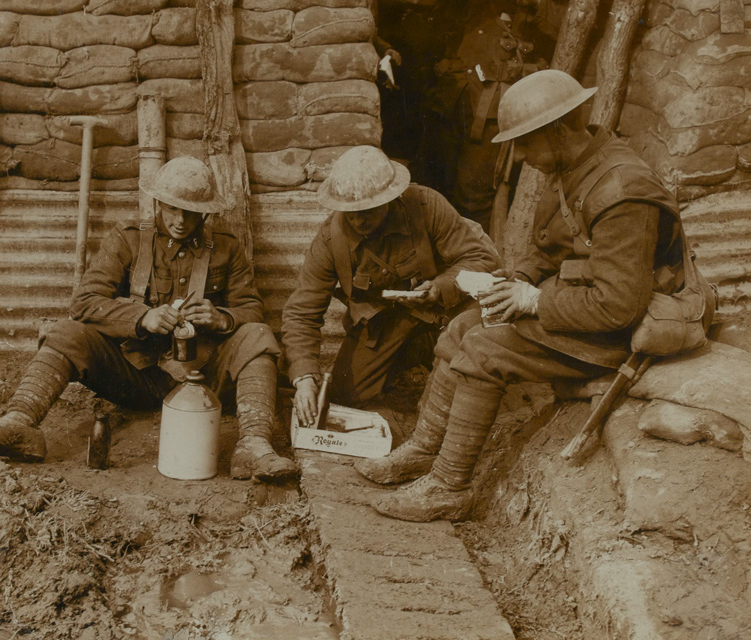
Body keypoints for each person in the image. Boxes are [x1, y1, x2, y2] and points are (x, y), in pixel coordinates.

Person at [358, 69, 710, 521]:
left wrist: (533, 302)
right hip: (583, 306)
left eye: (525, 143)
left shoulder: (622, 191)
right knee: (464, 324)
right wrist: (514, 277)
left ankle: (449, 488)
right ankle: (426, 450)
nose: (521, 156)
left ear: (559, 132)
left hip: (629, 327)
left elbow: (619, 306)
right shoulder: (572, 168)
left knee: (484, 348)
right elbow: (550, 248)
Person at [0, 156, 298, 482]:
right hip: (135, 375)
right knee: (67, 332)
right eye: (172, 209)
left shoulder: (226, 247)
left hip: (203, 381)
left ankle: (253, 446)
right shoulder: (129, 238)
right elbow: (84, 302)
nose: (180, 220)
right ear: (157, 205)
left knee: (257, 335)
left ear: (206, 215)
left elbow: (253, 311)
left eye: (191, 213)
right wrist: (142, 318)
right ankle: (20, 422)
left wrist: (221, 317)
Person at [281, 145, 500, 427]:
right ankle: (407, 371)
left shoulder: (426, 206)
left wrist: (442, 286)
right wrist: (304, 378)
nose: (359, 220)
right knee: (346, 396)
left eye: (368, 211)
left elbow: (480, 258)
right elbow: (302, 312)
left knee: (466, 373)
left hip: (443, 310)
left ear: (390, 198)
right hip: (383, 323)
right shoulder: (329, 241)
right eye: (351, 212)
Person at [415, 0, 557, 232]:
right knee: (438, 180)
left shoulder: (536, 14)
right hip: (451, 103)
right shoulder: (473, 12)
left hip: (490, 114)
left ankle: (475, 251)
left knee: (474, 194)